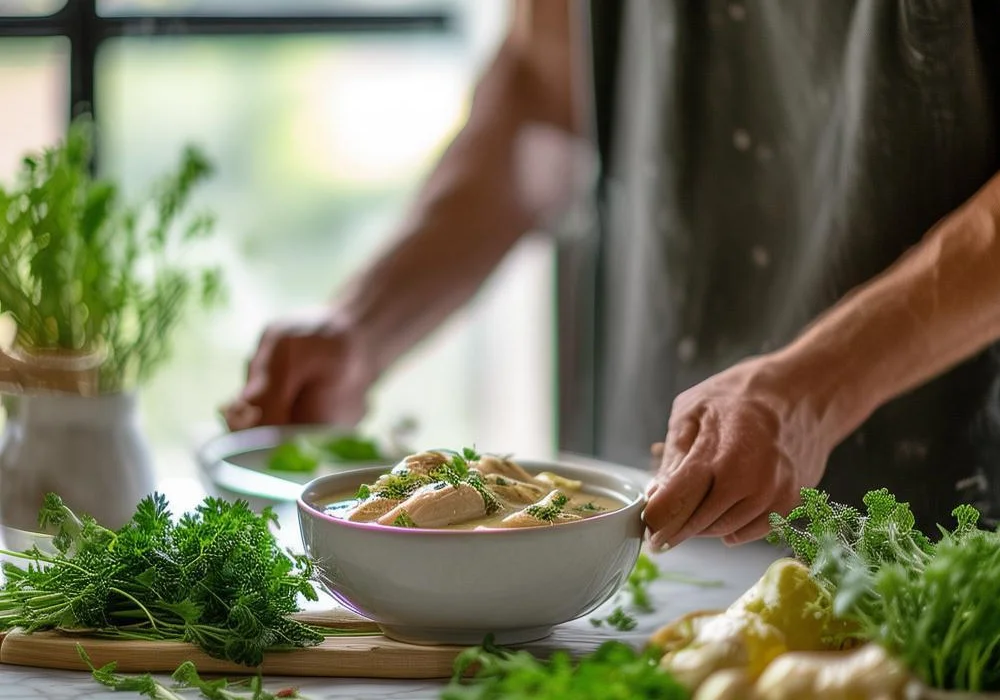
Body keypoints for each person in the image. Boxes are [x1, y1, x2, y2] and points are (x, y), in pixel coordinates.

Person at [223, 0, 1000, 550]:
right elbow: (544, 99)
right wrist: (364, 324)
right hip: (651, 539)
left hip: (948, 538)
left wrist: (815, 387)